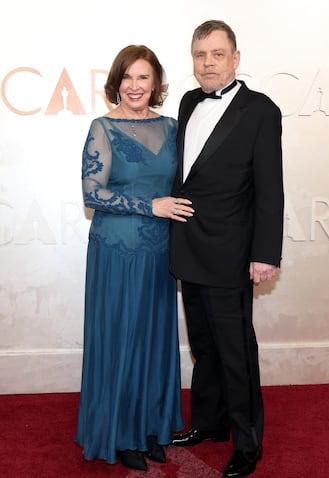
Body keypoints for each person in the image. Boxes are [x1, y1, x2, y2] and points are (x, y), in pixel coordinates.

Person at [169, 20, 284, 478]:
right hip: (188, 247)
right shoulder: (188, 101)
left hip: (232, 252)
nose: (208, 62)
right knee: (204, 347)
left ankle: (247, 442)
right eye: (200, 55)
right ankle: (210, 423)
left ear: (236, 58)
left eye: (217, 54)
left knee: (236, 351)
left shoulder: (260, 110)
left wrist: (266, 253)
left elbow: (270, 190)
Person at [75, 45, 194, 472]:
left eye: (143, 77)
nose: (134, 86)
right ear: (116, 83)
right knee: (121, 336)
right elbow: (92, 193)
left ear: (155, 83)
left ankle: (150, 427)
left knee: (153, 340)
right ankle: (120, 431)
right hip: (117, 251)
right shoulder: (102, 128)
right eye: (127, 78)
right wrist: (150, 206)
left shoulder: (173, 127)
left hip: (161, 252)